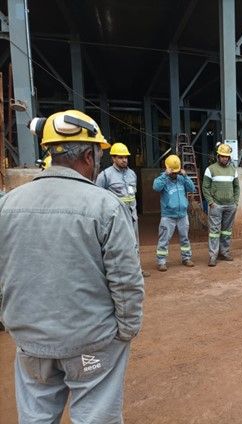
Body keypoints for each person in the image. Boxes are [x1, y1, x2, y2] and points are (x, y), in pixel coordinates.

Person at [0, 110, 144, 423]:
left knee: (36, 417)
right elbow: (126, 280)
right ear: (89, 157)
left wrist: (11, 319)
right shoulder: (104, 206)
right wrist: (127, 328)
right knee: (95, 416)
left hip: (30, 341)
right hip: (91, 340)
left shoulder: (7, 204)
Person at [96, 142, 150, 277]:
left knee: (135, 243)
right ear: (113, 158)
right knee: (117, 245)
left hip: (132, 216)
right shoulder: (105, 175)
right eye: (120, 157)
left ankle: (136, 270)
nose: (124, 160)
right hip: (115, 218)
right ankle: (118, 272)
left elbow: (132, 195)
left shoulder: (132, 174)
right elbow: (98, 197)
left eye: (126, 157)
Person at [152, 154, 196, 271]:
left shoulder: (181, 179)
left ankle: (186, 258)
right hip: (168, 216)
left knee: (185, 238)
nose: (175, 174)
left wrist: (186, 176)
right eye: (173, 172)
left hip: (182, 215)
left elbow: (192, 188)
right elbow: (156, 187)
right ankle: (161, 261)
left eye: (176, 172)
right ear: (167, 168)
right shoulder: (163, 179)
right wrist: (165, 175)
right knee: (164, 239)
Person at [202, 143, 240, 267]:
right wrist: (211, 202)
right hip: (216, 206)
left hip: (230, 206)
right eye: (222, 156)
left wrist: (235, 202)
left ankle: (224, 252)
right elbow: (205, 187)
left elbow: (236, 187)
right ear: (218, 156)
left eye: (226, 156)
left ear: (229, 158)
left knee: (227, 231)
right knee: (214, 231)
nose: (224, 158)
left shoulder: (233, 170)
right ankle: (213, 256)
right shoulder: (210, 169)